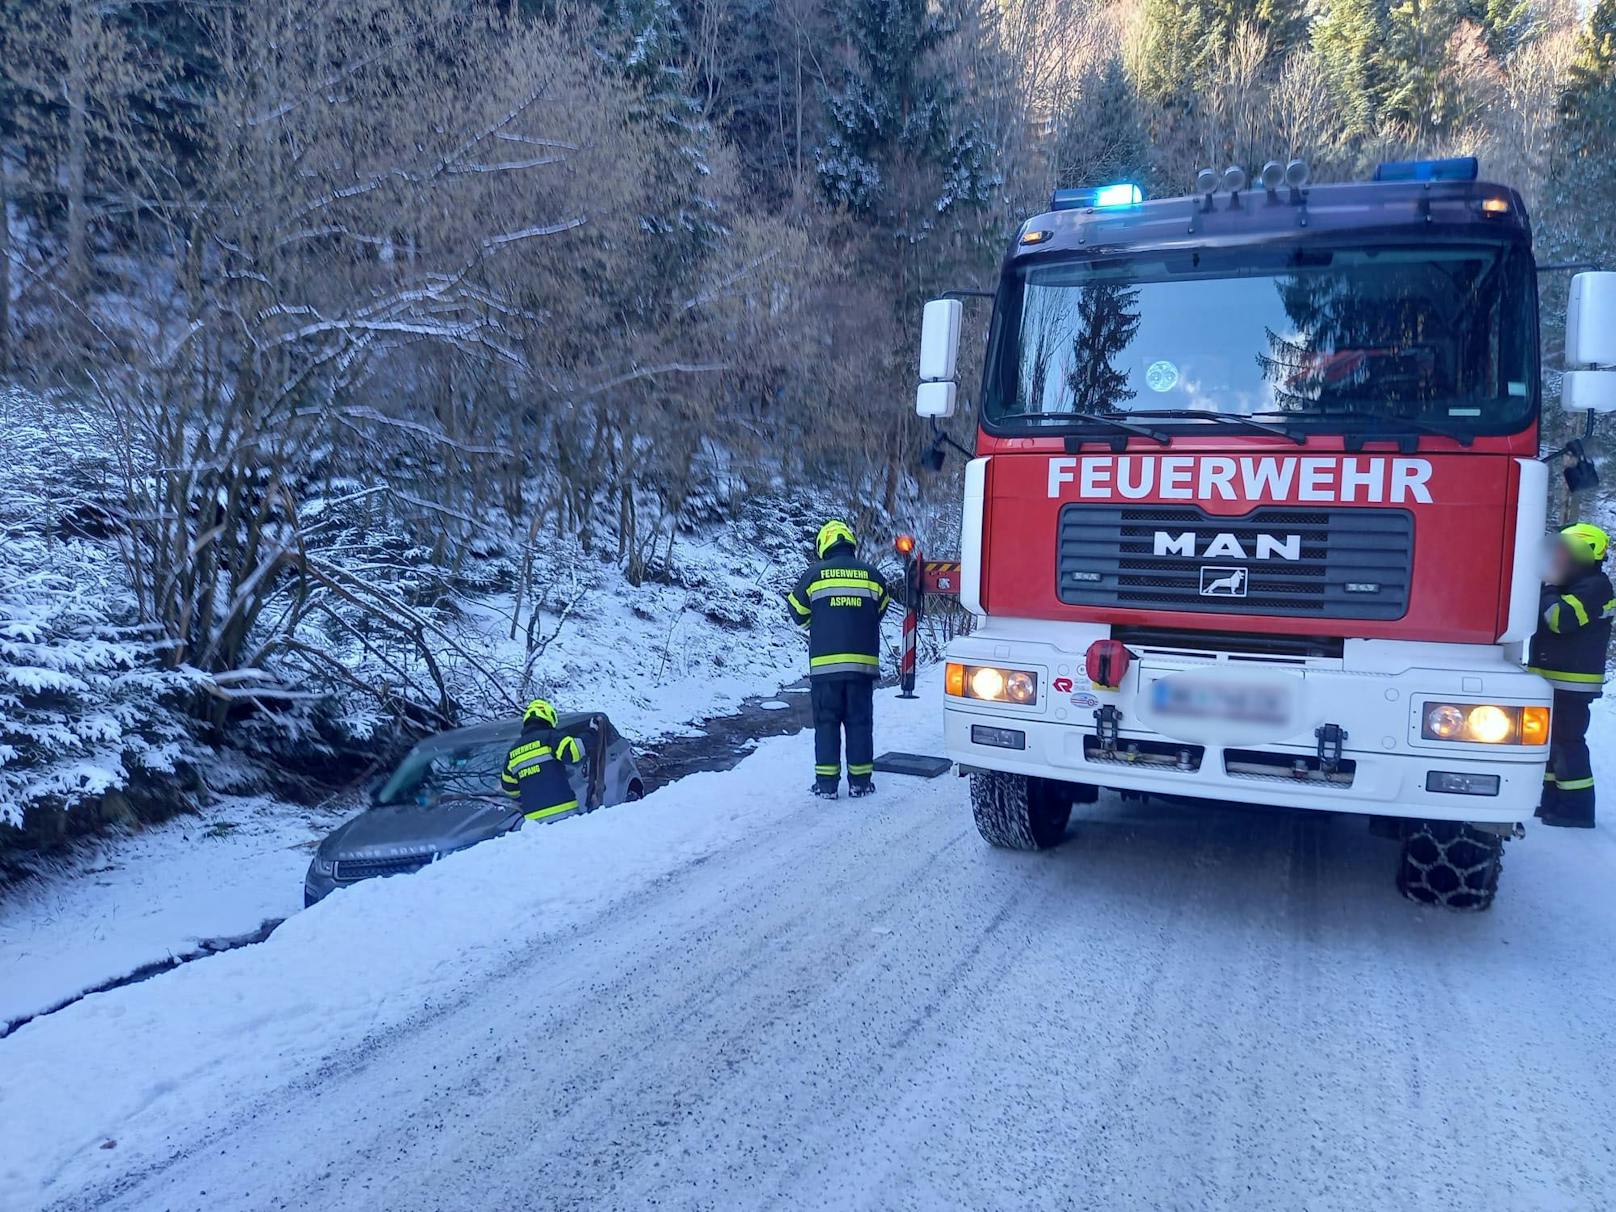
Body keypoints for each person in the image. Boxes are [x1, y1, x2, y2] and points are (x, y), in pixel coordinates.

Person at [787, 519, 892, 799]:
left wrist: (820, 620)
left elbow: (797, 612)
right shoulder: (872, 575)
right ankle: (860, 782)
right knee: (859, 723)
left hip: (826, 670)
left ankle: (827, 785)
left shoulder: (814, 575)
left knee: (826, 724)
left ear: (824, 545)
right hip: (861, 668)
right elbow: (880, 608)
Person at [1529, 523, 1614, 829]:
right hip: (1553, 678)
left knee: (1568, 743)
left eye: (1565, 550)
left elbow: (1560, 619)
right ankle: (1554, 801)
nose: (1559, 556)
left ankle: (1577, 809)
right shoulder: (1573, 584)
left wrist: (1549, 588)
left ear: (1584, 552)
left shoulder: (1595, 586)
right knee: (1553, 743)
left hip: (1571, 682)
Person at [501, 698, 586, 823]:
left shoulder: (513, 751)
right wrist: (590, 733)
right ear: (550, 717)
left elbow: (509, 789)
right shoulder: (551, 737)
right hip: (564, 813)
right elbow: (574, 752)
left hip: (534, 822)